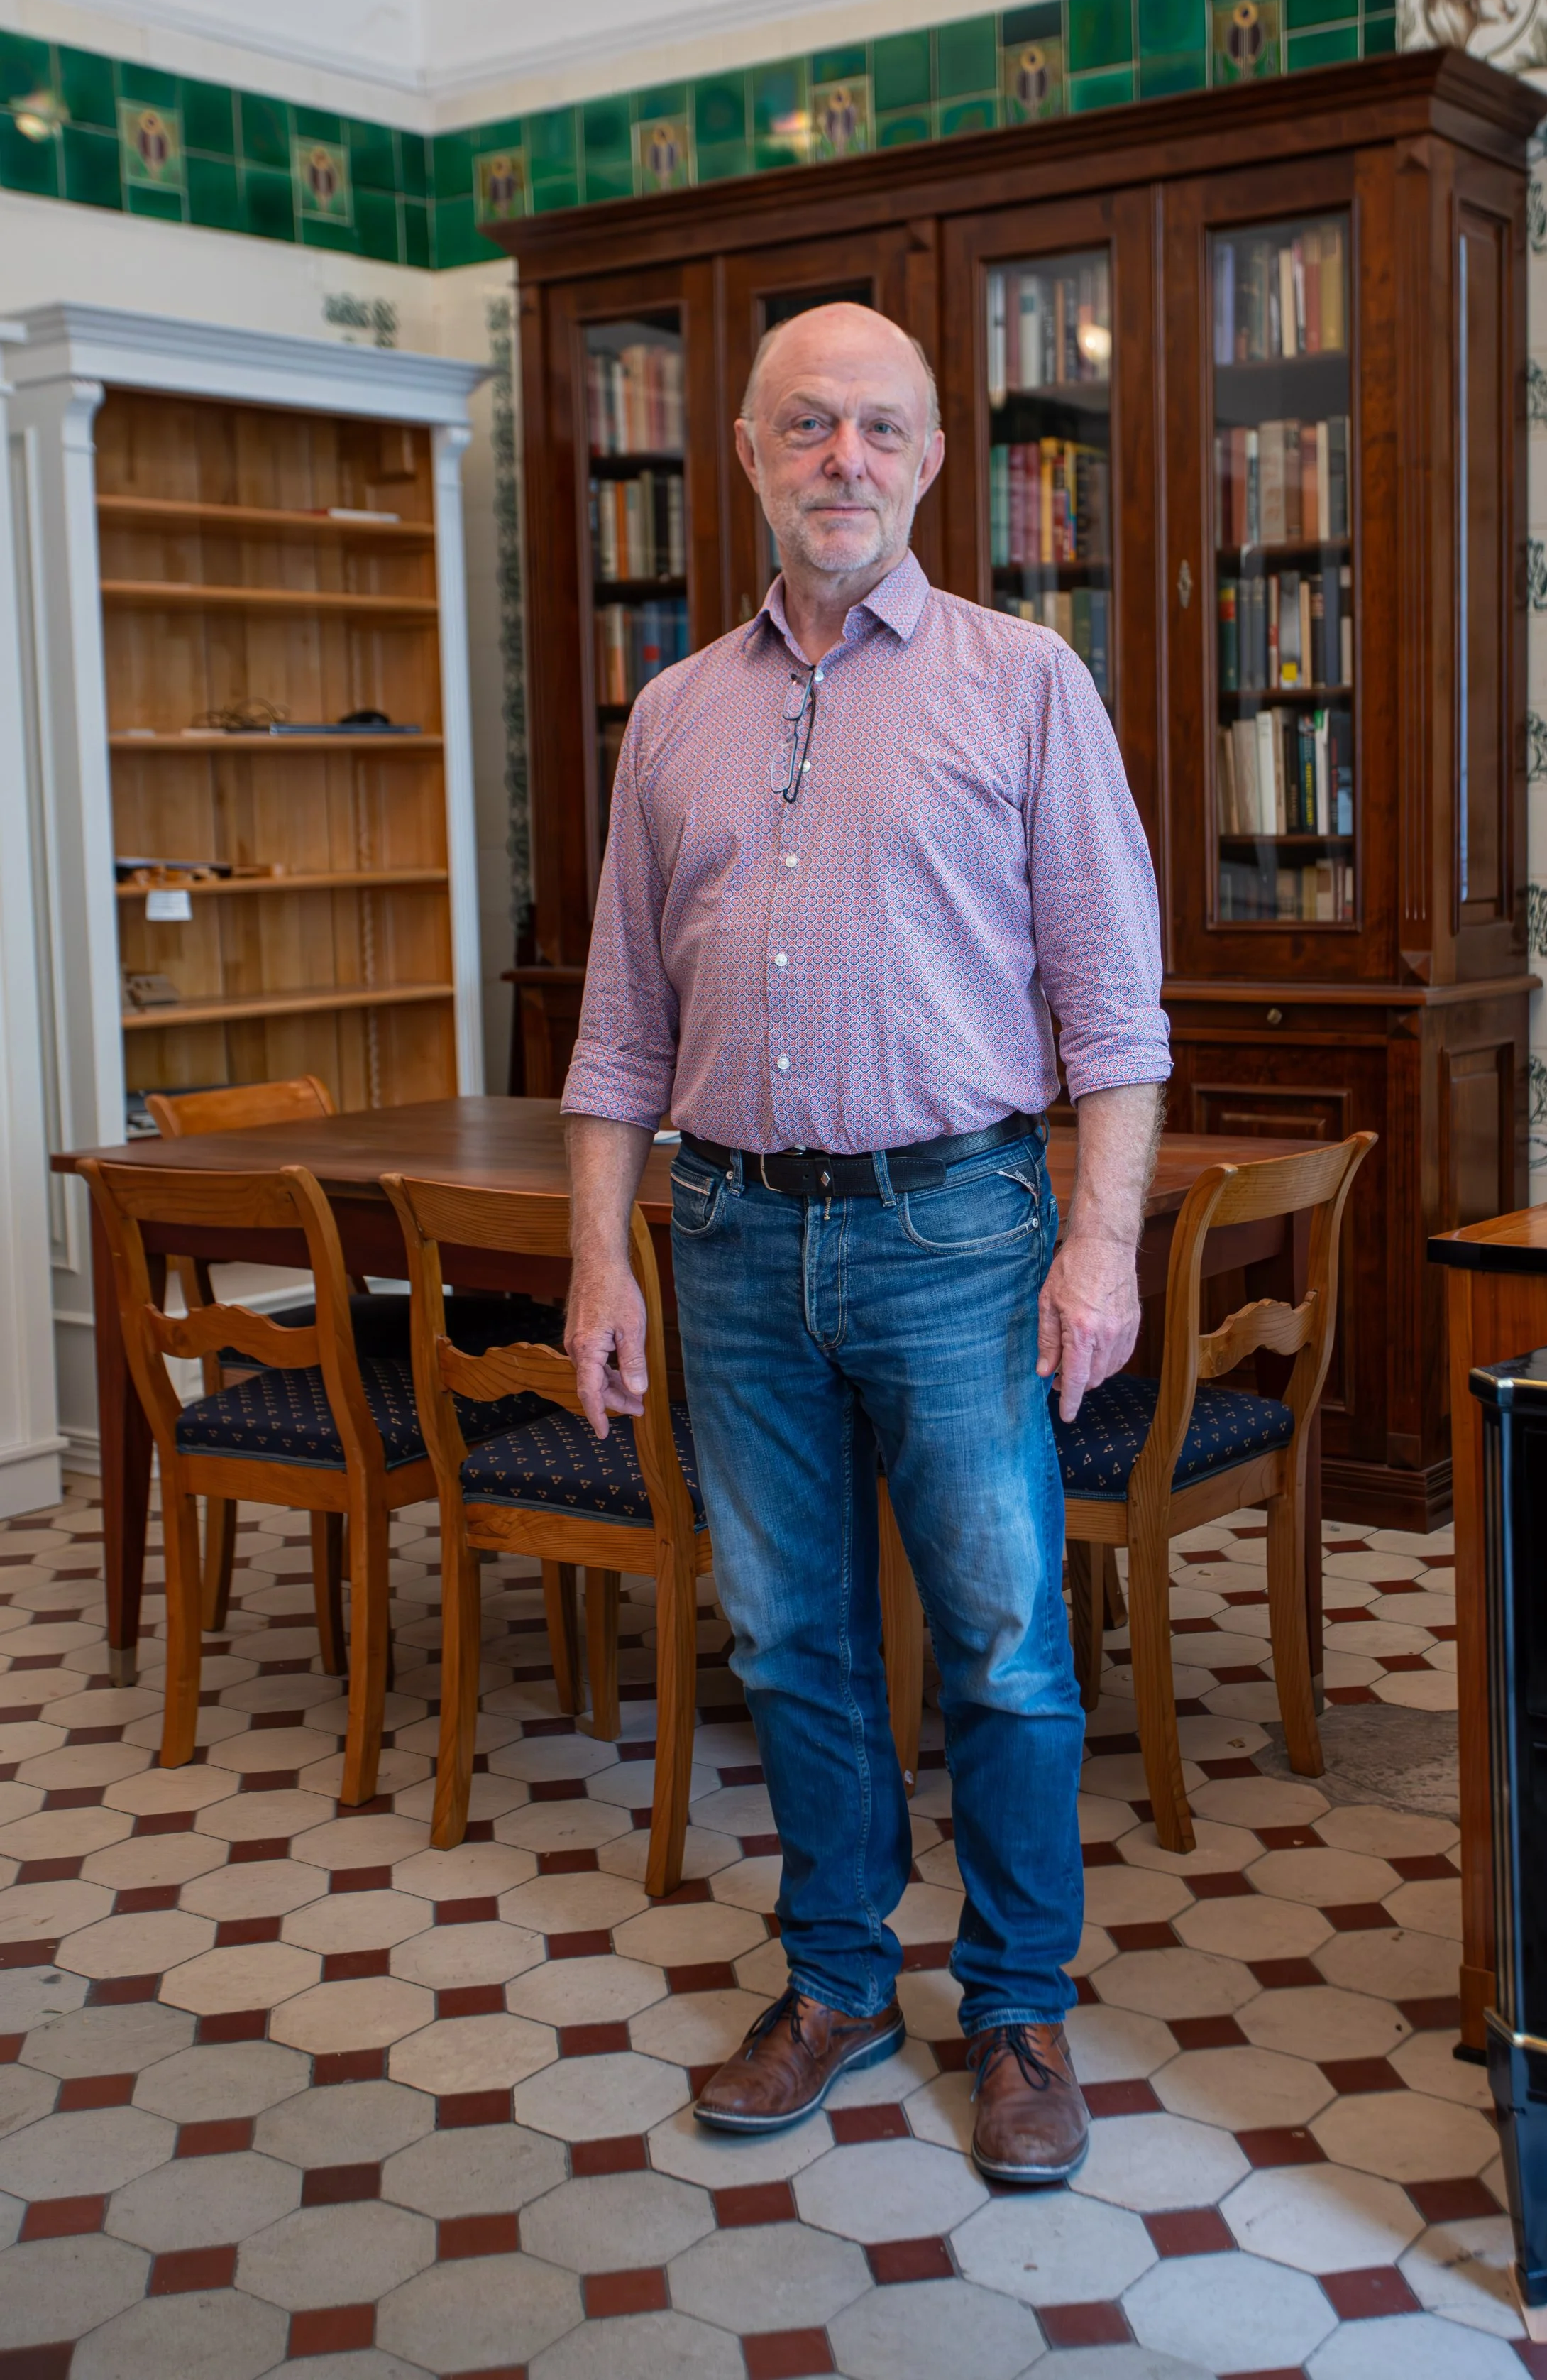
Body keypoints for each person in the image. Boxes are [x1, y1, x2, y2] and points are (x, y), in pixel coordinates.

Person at [561, 302, 1169, 2184]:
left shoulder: (1019, 679)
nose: (845, 458)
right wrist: (600, 1257)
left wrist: (1101, 1244)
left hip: (961, 1231)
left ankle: (1013, 2009)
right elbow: (611, 1033)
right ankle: (830, 1980)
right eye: (807, 425)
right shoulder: (671, 712)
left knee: (997, 1638)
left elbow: (1114, 1007)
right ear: (743, 452)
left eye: (881, 429)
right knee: (788, 1637)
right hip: (732, 1231)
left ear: (928, 461)